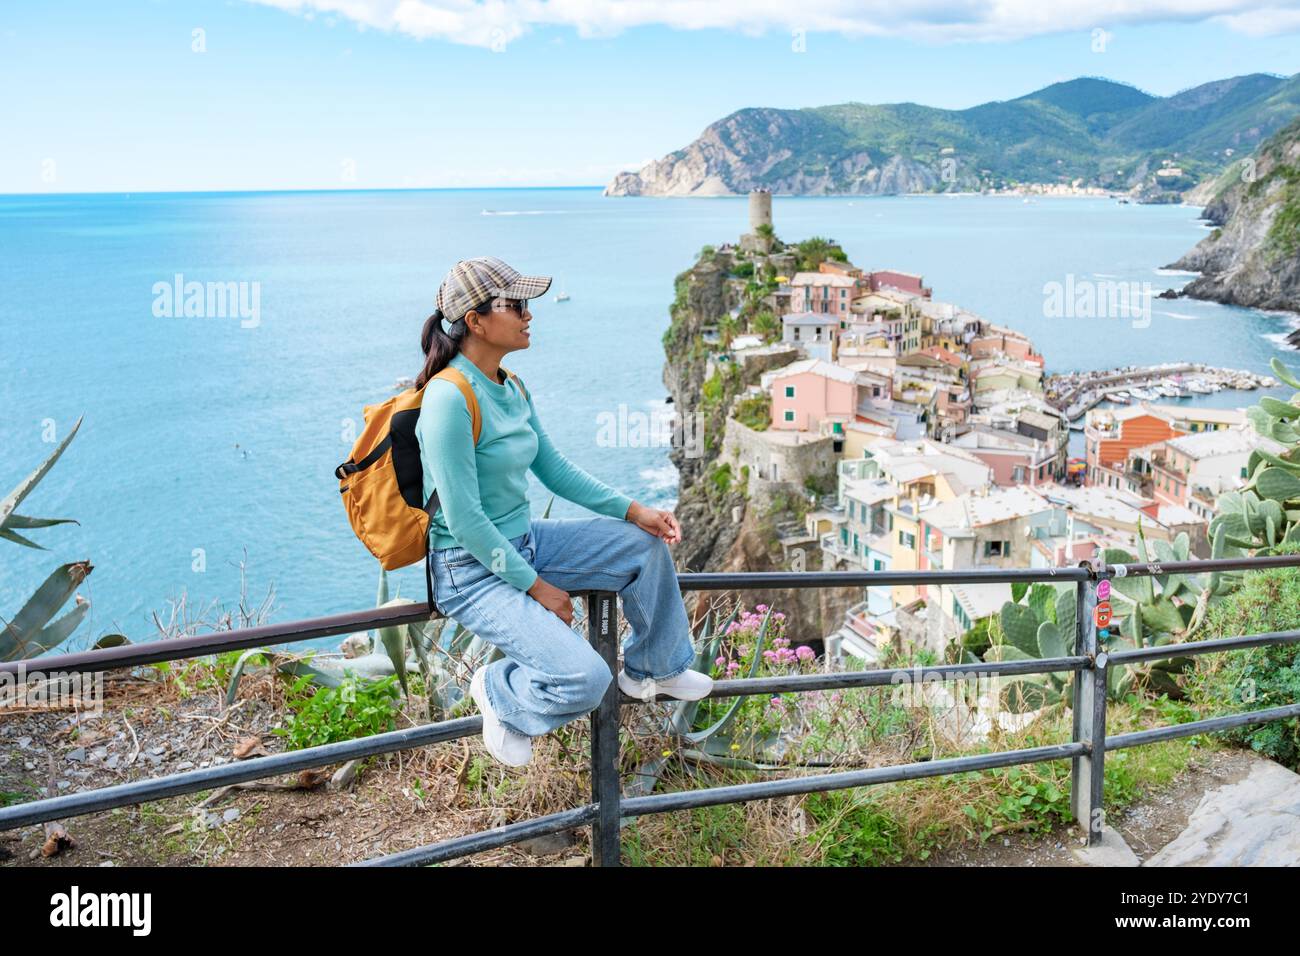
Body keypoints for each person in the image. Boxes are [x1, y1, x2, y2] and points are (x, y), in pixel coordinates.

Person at [414, 256, 712, 767]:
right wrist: (537, 587)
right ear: (476, 320)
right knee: (586, 678)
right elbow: (463, 521)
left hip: (523, 542)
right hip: (470, 569)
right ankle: (501, 691)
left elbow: (553, 470)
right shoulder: (447, 400)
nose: (529, 315)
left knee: (643, 546)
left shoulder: (511, 386)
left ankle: (653, 668)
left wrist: (634, 509)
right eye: (517, 305)